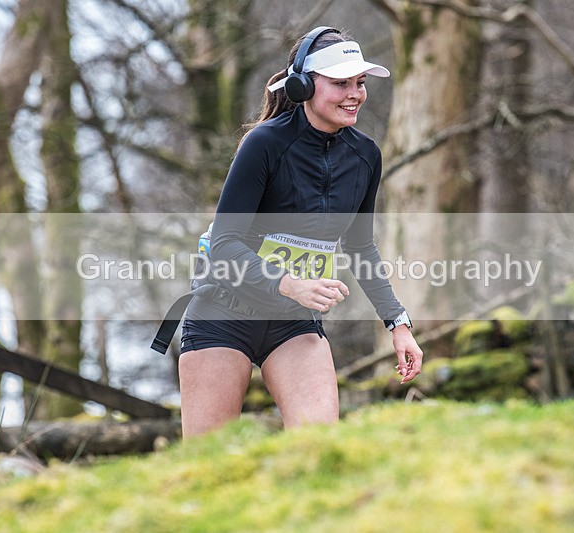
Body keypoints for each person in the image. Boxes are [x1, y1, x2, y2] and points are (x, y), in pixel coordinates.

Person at [176, 26, 423, 438]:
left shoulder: (366, 156)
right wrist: (290, 283)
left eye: (360, 83)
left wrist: (398, 324)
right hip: (223, 312)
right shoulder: (264, 144)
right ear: (304, 85)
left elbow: (360, 246)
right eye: (341, 82)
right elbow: (224, 245)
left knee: (317, 446)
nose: (355, 94)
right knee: (208, 464)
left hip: (292, 321)